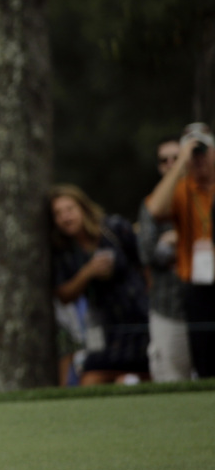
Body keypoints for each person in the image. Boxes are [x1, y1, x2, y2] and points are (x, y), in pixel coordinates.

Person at [49, 184, 150, 385]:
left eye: (69, 209)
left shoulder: (114, 228)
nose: (65, 217)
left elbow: (144, 263)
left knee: (142, 376)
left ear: (83, 208)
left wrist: (150, 297)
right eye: (58, 213)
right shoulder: (65, 251)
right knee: (91, 378)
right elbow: (64, 294)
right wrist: (88, 272)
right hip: (102, 324)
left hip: (138, 316)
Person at [145, 122, 215, 377]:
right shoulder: (181, 188)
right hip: (196, 287)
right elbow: (154, 210)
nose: (198, 158)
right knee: (205, 364)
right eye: (193, 152)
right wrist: (180, 163)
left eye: (203, 151)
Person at [138, 135, 192, 381]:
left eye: (177, 157)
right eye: (165, 160)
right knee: (170, 377)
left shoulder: (203, 195)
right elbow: (148, 254)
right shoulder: (152, 202)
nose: (172, 164)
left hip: (204, 304)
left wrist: (178, 238)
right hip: (168, 307)